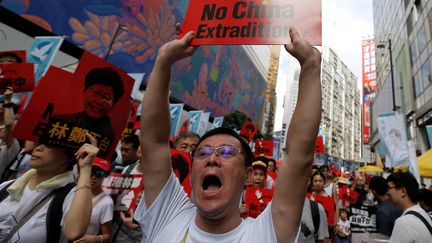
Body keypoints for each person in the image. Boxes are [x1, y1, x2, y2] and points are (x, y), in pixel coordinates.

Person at [135, 26, 321, 242]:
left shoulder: (264, 234)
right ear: (192, 172)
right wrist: (164, 61)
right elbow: (153, 141)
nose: (212, 159)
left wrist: (310, 67)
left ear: (248, 176)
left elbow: (299, 157)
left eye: (226, 152)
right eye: (202, 154)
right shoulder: (167, 216)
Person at [0, 134, 98, 242]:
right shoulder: (8, 186)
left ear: (69, 157)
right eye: (39, 143)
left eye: (49, 145)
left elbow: (74, 233)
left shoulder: (71, 196)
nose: (38, 148)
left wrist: (86, 168)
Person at [53, 67, 124, 155]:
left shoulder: (109, 139)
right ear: (84, 91)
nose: (99, 101)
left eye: (107, 98)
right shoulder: (60, 121)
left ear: (114, 104)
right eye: (96, 93)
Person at [74, 157, 114, 243]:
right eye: (91, 172)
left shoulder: (106, 202)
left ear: (106, 175)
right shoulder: (72, 192)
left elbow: (108, 236)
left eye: (99, 173)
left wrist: (95, 239)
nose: (94, 177)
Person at [387, 172, 432, 242]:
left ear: (403, 191)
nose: (387, 193)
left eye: (389, 188)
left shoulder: (404, 222)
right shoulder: (424, 214)